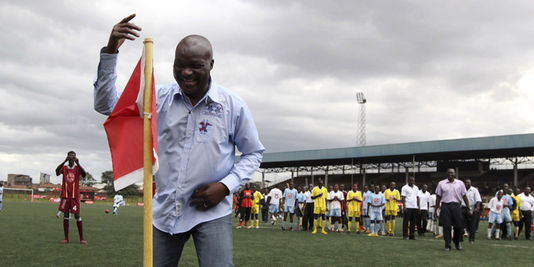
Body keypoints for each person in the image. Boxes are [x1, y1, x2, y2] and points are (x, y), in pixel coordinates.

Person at [94, 14, 264, 266]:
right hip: (164, 212)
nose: (186, 73)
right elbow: (106, 104)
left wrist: (225, 186)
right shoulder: (156, 98)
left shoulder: (232, 106)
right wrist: (110, 52)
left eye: (195, 65)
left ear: (211, 64)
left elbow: (253, 153)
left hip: (211, 212)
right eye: (179, 65)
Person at [55, 151, 87, 244]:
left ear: (75, 158)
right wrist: (64, 161)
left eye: (73, 156)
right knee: (65, 215)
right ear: (68, 157)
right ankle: (66, 239)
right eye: (70, 156)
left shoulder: (77, 168)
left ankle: (81, 238)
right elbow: (57, 172)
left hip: (74, 196)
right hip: (65, 196)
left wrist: (78, 163)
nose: (72, 158)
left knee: (77, 215)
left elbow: (84, 175)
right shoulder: (64, 168)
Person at [435, 168, 471, 251]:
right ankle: (447, 244)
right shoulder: (441, 183)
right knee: (446, 226)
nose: (450, 174)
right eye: (449, 173)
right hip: (445, 206)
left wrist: (468, 207)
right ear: (446, 174)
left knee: (458, 226)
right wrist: (436, 209)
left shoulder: (460, 183)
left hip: (456, 206)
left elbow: (464, 196)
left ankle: (457, 242)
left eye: (452, 172)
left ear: (455, 174)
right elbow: (438, 197)